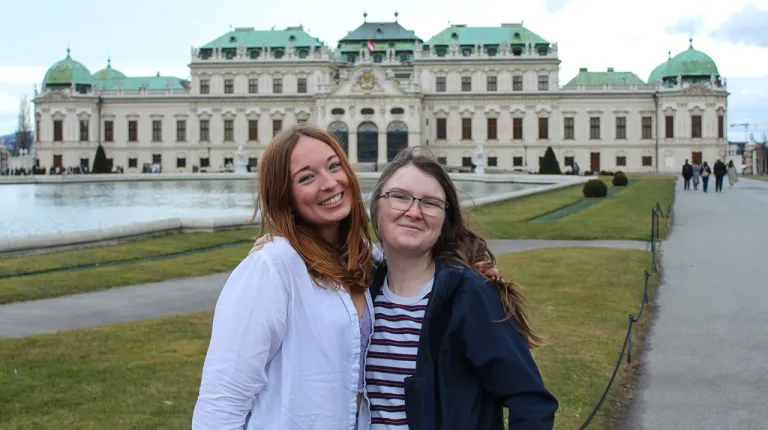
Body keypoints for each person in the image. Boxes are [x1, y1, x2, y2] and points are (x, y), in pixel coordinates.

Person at [193, 124, 499, 429]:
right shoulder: (272, 268)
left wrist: (468, 268)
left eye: (334, 166)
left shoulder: (365, 257)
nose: (329, 183)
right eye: (306, 177)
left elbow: (415, 266)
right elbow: (222, 401)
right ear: (284, 195)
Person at [359, 148, 558, 429]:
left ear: (445, 220)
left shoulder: (470, 295)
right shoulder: (361, 292)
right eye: (400, 197)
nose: (413, 212)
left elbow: (531, 402)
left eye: (430, 203)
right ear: (376, 207)